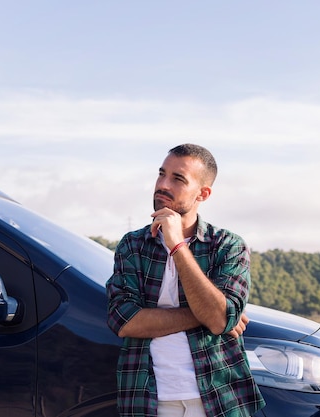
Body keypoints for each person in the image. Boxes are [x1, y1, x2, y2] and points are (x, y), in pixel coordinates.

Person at [106, 144, 265, 417]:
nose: (163, 185)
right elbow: (124, 320)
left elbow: (217, 318)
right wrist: (208, 315)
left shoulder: (228, 246)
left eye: (178, 179)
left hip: (217, 401)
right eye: (161, 174)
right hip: (148, 401)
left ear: (203, 193)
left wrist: (178, 245)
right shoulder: (133, 245)